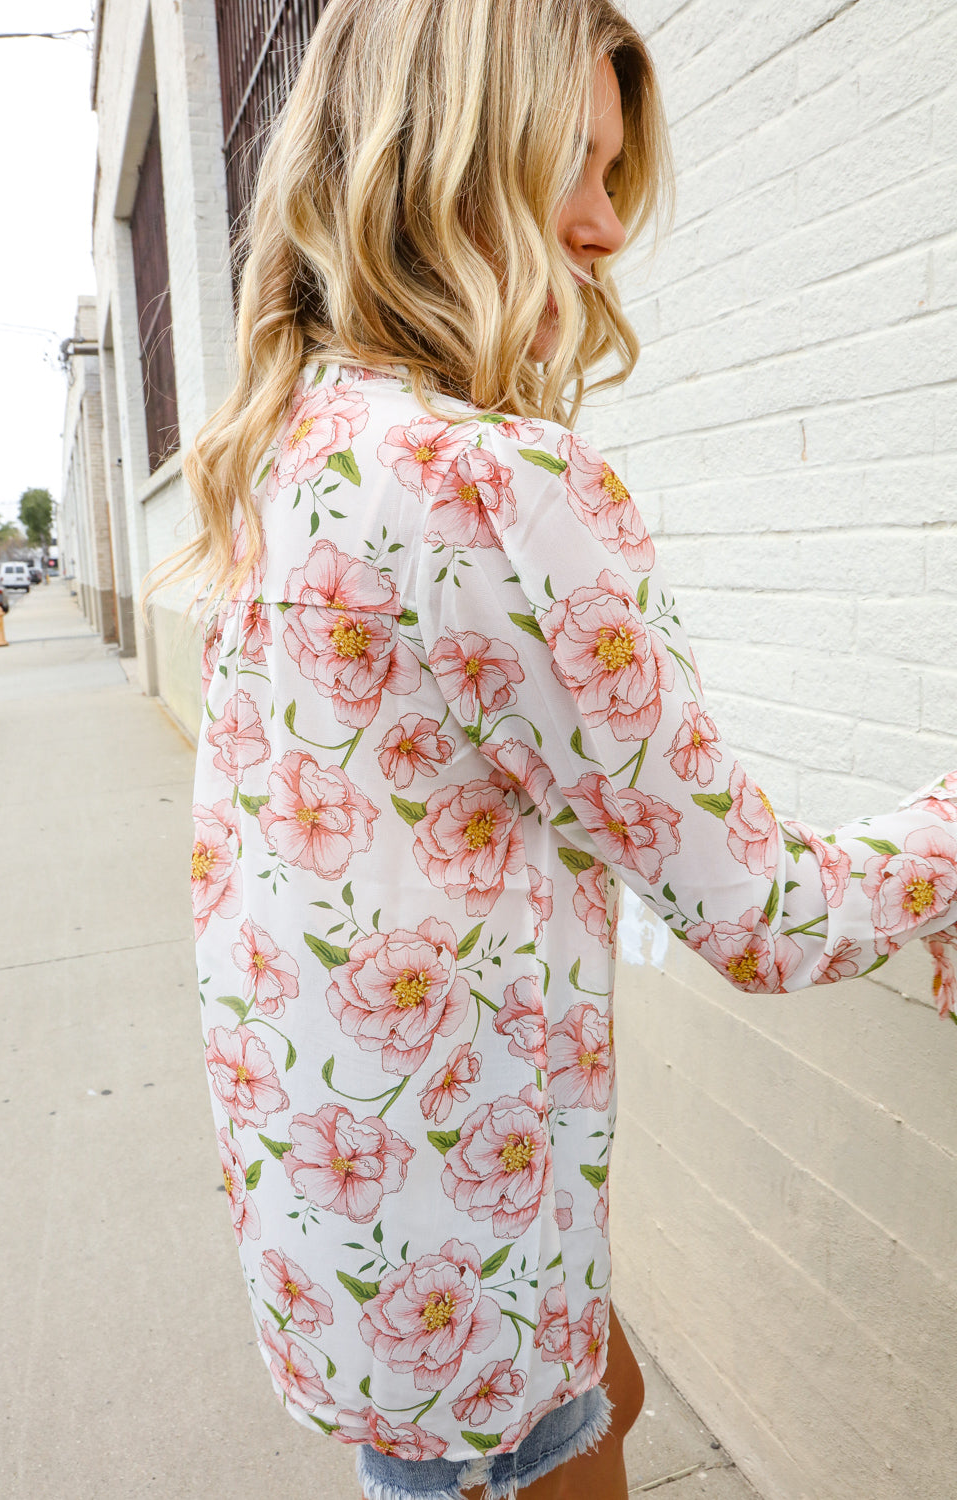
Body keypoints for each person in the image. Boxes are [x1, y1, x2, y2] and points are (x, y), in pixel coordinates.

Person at [152, 1, 957, 1496]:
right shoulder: (495, 485)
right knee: (571, 1421)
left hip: (356, 1241)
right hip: (464, 1277)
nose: (604, 229)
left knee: (607, 1392)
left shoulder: (294, 443)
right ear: (446, 167)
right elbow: (762, 916)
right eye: (569, 167)